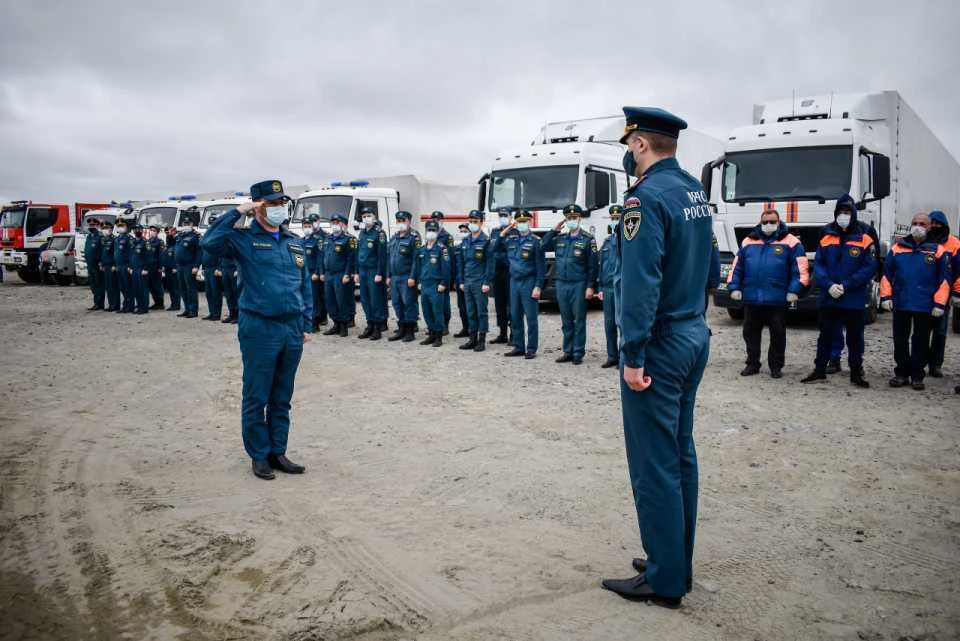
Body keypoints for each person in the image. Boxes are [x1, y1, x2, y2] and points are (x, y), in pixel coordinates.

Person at [600, 106, 713, 609]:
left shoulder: (643, 199)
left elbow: (640, 284)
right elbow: (707, 267)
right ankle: (673, 558)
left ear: (641, 144)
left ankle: (666, 580)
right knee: (679, 453)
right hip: (692, 331)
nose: (628, 154)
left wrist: (633, 353)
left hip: (662, 342)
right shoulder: (692, 190)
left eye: (630, 146)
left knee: (655, 463)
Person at [200, 179, 312, 481]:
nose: (279, 208)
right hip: (259, 327)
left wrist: (306, 323)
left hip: (291, 328)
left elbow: (304, 284)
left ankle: (278, 451)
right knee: (256, 395)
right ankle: (259, 456)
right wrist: (238, 211)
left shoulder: (293, 241)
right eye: (272, 203)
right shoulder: (243, 240)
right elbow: (209, 242)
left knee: (282, 395)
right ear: (258, 206)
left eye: (281, 203)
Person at [801, 195, 875, 387]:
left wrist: (846, 285)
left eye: (847, 212)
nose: (844, 216)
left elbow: (869, 268)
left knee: (855, 338)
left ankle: (856, 374)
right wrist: (829, 285)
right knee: (825, 335)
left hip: (853, 298)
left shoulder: (865, 238)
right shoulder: (826, 236)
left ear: (853, 214)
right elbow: (819, 265)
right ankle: (819, 371)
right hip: (829, 297)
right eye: (840, 212)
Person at [726, 208, 808, 378]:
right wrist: (734, 287)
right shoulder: (748, 241)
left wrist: (795, 290)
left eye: (772, 221)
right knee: (750, 332)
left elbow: (800, 269)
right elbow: (737, 267)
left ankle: (776, 366)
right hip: (752, 297)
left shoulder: (792, 242)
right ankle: (752, 363)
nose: (768, 225)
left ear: (778, 223)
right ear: (760, 222)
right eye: (765, 222)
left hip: (777, 298)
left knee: (777, 333)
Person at [881, 213, 951, 390]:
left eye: (922, 224)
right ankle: (901, 373)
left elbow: (944, 280)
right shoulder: (898, 248)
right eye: (915, 223)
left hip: (925, 305)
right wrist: (886, 297)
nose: (918, 226)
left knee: (920, 340)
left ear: (929, 227)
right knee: (900, 340)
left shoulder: (937, 250)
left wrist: (939, 304)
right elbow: (887, 275)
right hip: (902, 302)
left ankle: (917, 376)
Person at [541, 204, 599, 365]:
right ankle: (568, 351)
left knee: (579, 320)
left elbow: (593, 266)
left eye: (574, 218)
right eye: (569, 218)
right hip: (562, 284)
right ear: (565, 220)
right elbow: (542, 246)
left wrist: (590, 286)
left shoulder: (588, 239)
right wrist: (554, 230)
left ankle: (578, 352)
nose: (572, 220)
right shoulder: (560, 239)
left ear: (579, 218)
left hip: (578, 284)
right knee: (566, 320)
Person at [495, 209, 545, 359]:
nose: (522, 224)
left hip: (529, 282)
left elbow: (540, 266)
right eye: (519, 222)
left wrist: (538, 286)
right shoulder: (511, 240)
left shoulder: (535, 241)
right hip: (514, 282)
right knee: (515, 316)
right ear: (515, 223)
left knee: (531, 318)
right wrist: (506, 231)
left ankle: (531, 348)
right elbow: (494, 247)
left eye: (524, 221)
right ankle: (518, 346)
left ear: (529, 222)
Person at [927, 210, 960, 377]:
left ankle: (935, 365)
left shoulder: (954, 244)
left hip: (944, 294)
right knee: (922, 331)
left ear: (944, 225)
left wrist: (957, 292)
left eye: (938, 224)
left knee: (940, 332)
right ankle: (920, 362)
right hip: (924, 294)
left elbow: (958, 270)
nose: (934, 226)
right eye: (931, 223)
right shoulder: (924, 240)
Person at [458, 210, 494, 351]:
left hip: (480, 282)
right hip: (467, 281)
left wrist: (486, 282)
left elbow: (490, 264)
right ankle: (472, 338)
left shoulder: (486, 241)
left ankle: (481, 340)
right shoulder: (466, 240)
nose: (472, 224)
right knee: (470, 312)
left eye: (475, 221)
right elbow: (461, 262)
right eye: (471, 221)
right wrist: (461, 280)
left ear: (481, 222)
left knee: (481, 312)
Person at [413, 219, 451, 346]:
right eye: (429, 230)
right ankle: (431, 334)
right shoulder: (422, 249)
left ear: (437, 232)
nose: (431, 232)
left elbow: (446, 268)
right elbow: (418, 267)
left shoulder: (442, 249)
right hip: (425, 285)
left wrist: (443, 283)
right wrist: (418, 281)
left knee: (437, 311)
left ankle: (439, 336)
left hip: (436, 285)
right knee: (426, 311)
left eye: (433, 230)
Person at [319, 214, 358, 337]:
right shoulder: (327, 238)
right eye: (333, 223)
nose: (335, 225)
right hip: (329, 274)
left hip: (340, 274)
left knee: (342, 300)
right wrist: (322, 272)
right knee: (330, 300)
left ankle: (343, 326)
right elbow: (322, 256)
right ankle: (335, 323)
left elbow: (350, 258)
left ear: (342, 224)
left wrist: (347, 274)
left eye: (337, 223)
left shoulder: (348, 239)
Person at [386, 210, 421, 342]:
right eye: (398, 221)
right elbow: (389, 257)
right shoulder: (394, 237)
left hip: (407, 276)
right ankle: (401, 329)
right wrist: (388, 275)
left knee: (409, 304)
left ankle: (410, 331)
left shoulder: (414, 236)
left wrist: (413, 276)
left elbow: (416, 259)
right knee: (396, 303)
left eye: (403, 221)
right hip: (395, 277)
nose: (400, 223)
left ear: (409, 221)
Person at [355, 207, 388, 340]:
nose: (366, 218)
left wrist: (380, 273)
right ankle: (369, 324)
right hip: (363, 270)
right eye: (364, 216)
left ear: (374, 217)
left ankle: (377, 327)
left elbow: (382, 256)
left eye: (369, 215)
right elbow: (359, 253)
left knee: (375, 300)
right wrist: (356, 271)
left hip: (373, 271)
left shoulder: (379, 233)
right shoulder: (362, 233)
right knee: (365, 299)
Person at [489, 207, 516, 344]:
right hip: (497, 272)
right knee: (499, 304)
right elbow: (492, 248)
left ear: (511, 217)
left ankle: (513, 334)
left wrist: (501, 242)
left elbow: (510, 250)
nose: (502, 217)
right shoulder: (495, 232)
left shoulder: (515, 232)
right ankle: (502, 333)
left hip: (510, 272)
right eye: (500, 215)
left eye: (505, 215)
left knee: (511, 305)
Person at [599, 205, 621, 368]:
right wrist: (599, 287)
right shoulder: (606, 242)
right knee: (609, 323)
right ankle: (612, 355)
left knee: (623, 323)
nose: (615, 221)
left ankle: (624, 357)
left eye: (618, 218)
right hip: (607, 287)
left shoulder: (628, 241)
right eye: (613, 219)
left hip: (622, 287)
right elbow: (602, 266)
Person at [430, 211, 457, 336]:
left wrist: (448, 277)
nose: (436, 221)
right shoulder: (430, 234)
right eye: (434, 219)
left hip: (442, 274)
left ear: (442, 220)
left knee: (444, 301)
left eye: (438, 219)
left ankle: (445, 324)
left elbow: (450, 257)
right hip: (432, 274)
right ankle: (435, 325)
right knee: (433, 302)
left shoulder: (447, 236)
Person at [302, 215, 327, 331]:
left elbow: (320, 258)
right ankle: (307, 321)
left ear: (312, 227)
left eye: (309, 226)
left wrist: (317, 272)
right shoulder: (301, 241)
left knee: (314, 299)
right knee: (304, 298)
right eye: (305, 226)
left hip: (313, 274)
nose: (307, 228)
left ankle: (315, 322)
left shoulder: (317, 240)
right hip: (303, 274)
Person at [174, 216, 202, 319]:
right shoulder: (180, 235)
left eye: (187, 224)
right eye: (184, 224)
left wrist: (196, 266)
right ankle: (187, 309)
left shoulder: (195, 236)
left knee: (190, 288)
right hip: (180, 265)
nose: (185, 226)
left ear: (191, 224)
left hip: (189, 265)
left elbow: (199, 252)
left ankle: (193, 310)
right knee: (182, 288)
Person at [201, 217, 224, 321]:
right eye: (210, 223)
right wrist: (203, 267)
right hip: (207, 268)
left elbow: (222, 254)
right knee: (209, 292)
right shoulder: (207, 236)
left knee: (216, 292)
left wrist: (219, 267)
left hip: (215, 268)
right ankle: (211, 312)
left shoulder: (219, 237)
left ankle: (217, 314)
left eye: (213, 223)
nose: (211, 225)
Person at [453, 223, 472, 338]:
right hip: (459, 279)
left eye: (465, 231)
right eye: (461, 231)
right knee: (461, 306)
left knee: (470, 307)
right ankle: (465, 328)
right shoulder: (457, 246)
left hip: (470, 279)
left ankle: (472, 329)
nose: (462, 233)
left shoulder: (471, 245)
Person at [113, 219, 134, 313]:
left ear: (126, 227)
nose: (120, 228)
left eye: (122, 226)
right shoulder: (117, 239)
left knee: (127, 287)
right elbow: (115, 253)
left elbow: (131, 254)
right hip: (119, 265)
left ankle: (129, 306)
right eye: (119, 226)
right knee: (122, 287)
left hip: (126, 265)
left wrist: (130, 265)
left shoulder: (129, 239)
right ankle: (125, 305)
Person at [99, 220, 121, 312]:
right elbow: (102, 253)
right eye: (104, 228)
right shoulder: (104, 239)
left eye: (108, 228)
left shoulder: (114, 239)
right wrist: (101, 264)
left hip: (112, 266)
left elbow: (115, 254)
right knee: (108, 287)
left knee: (114, 286)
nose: (106, 230)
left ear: (112, 229)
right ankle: (111, 304)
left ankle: (115, 305)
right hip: (105, 265)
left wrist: (114, 265)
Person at [84, 218, 105, 310]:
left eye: (93, 225)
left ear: (97, 226)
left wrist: (101, 262)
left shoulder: (100, 236)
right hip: (90, 264)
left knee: (99, 284)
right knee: (93, 285)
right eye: (90, 225)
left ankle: (100, 304)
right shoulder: (89, 237)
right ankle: (96, 302)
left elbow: (102, 251)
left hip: (97, 265)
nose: (91, 227)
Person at [129, 225, 149, 314]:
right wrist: (130, 267)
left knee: (143, 289)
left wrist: (146, 268)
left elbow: (149, 256)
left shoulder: (145, 242)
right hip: (134, 269)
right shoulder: (132, 242)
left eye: (139, 229)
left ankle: (144, 307)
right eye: (135, 229)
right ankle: (139, 306)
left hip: (142, 269)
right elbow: (131, 255)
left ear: (142, 231)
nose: (137, 231)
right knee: (136, 289)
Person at [161, 226, 181, 312]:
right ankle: (173, 303)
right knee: (170, 288)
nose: (167, 234)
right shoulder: (167, 245)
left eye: (169, 232)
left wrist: (176, 267)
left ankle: (176, 304)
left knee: (175, 288)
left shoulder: (176, 243)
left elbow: (178, 257)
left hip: (174, 269)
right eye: (166, 233)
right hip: (167, 269)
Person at [144, 225, 165, 310]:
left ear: (157, 232)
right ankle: (156, 302)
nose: (152, 232)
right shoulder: (148, 241)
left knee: (157, 285)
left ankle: (160, 303)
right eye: (151, 230)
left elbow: (161, 255)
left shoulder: (160, 242)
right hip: (149, 266)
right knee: (151, 285)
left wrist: (160, 266)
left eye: (154, 230)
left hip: (156, 266)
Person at [220, 252, 240, 324]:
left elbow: (239, 256)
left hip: (233, 268)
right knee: (228, 294)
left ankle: (237, 316)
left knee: (235, 293)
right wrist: (220, 268)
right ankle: (231, 314)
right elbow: (220, 257)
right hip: (225, 268)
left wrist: (238, 269)